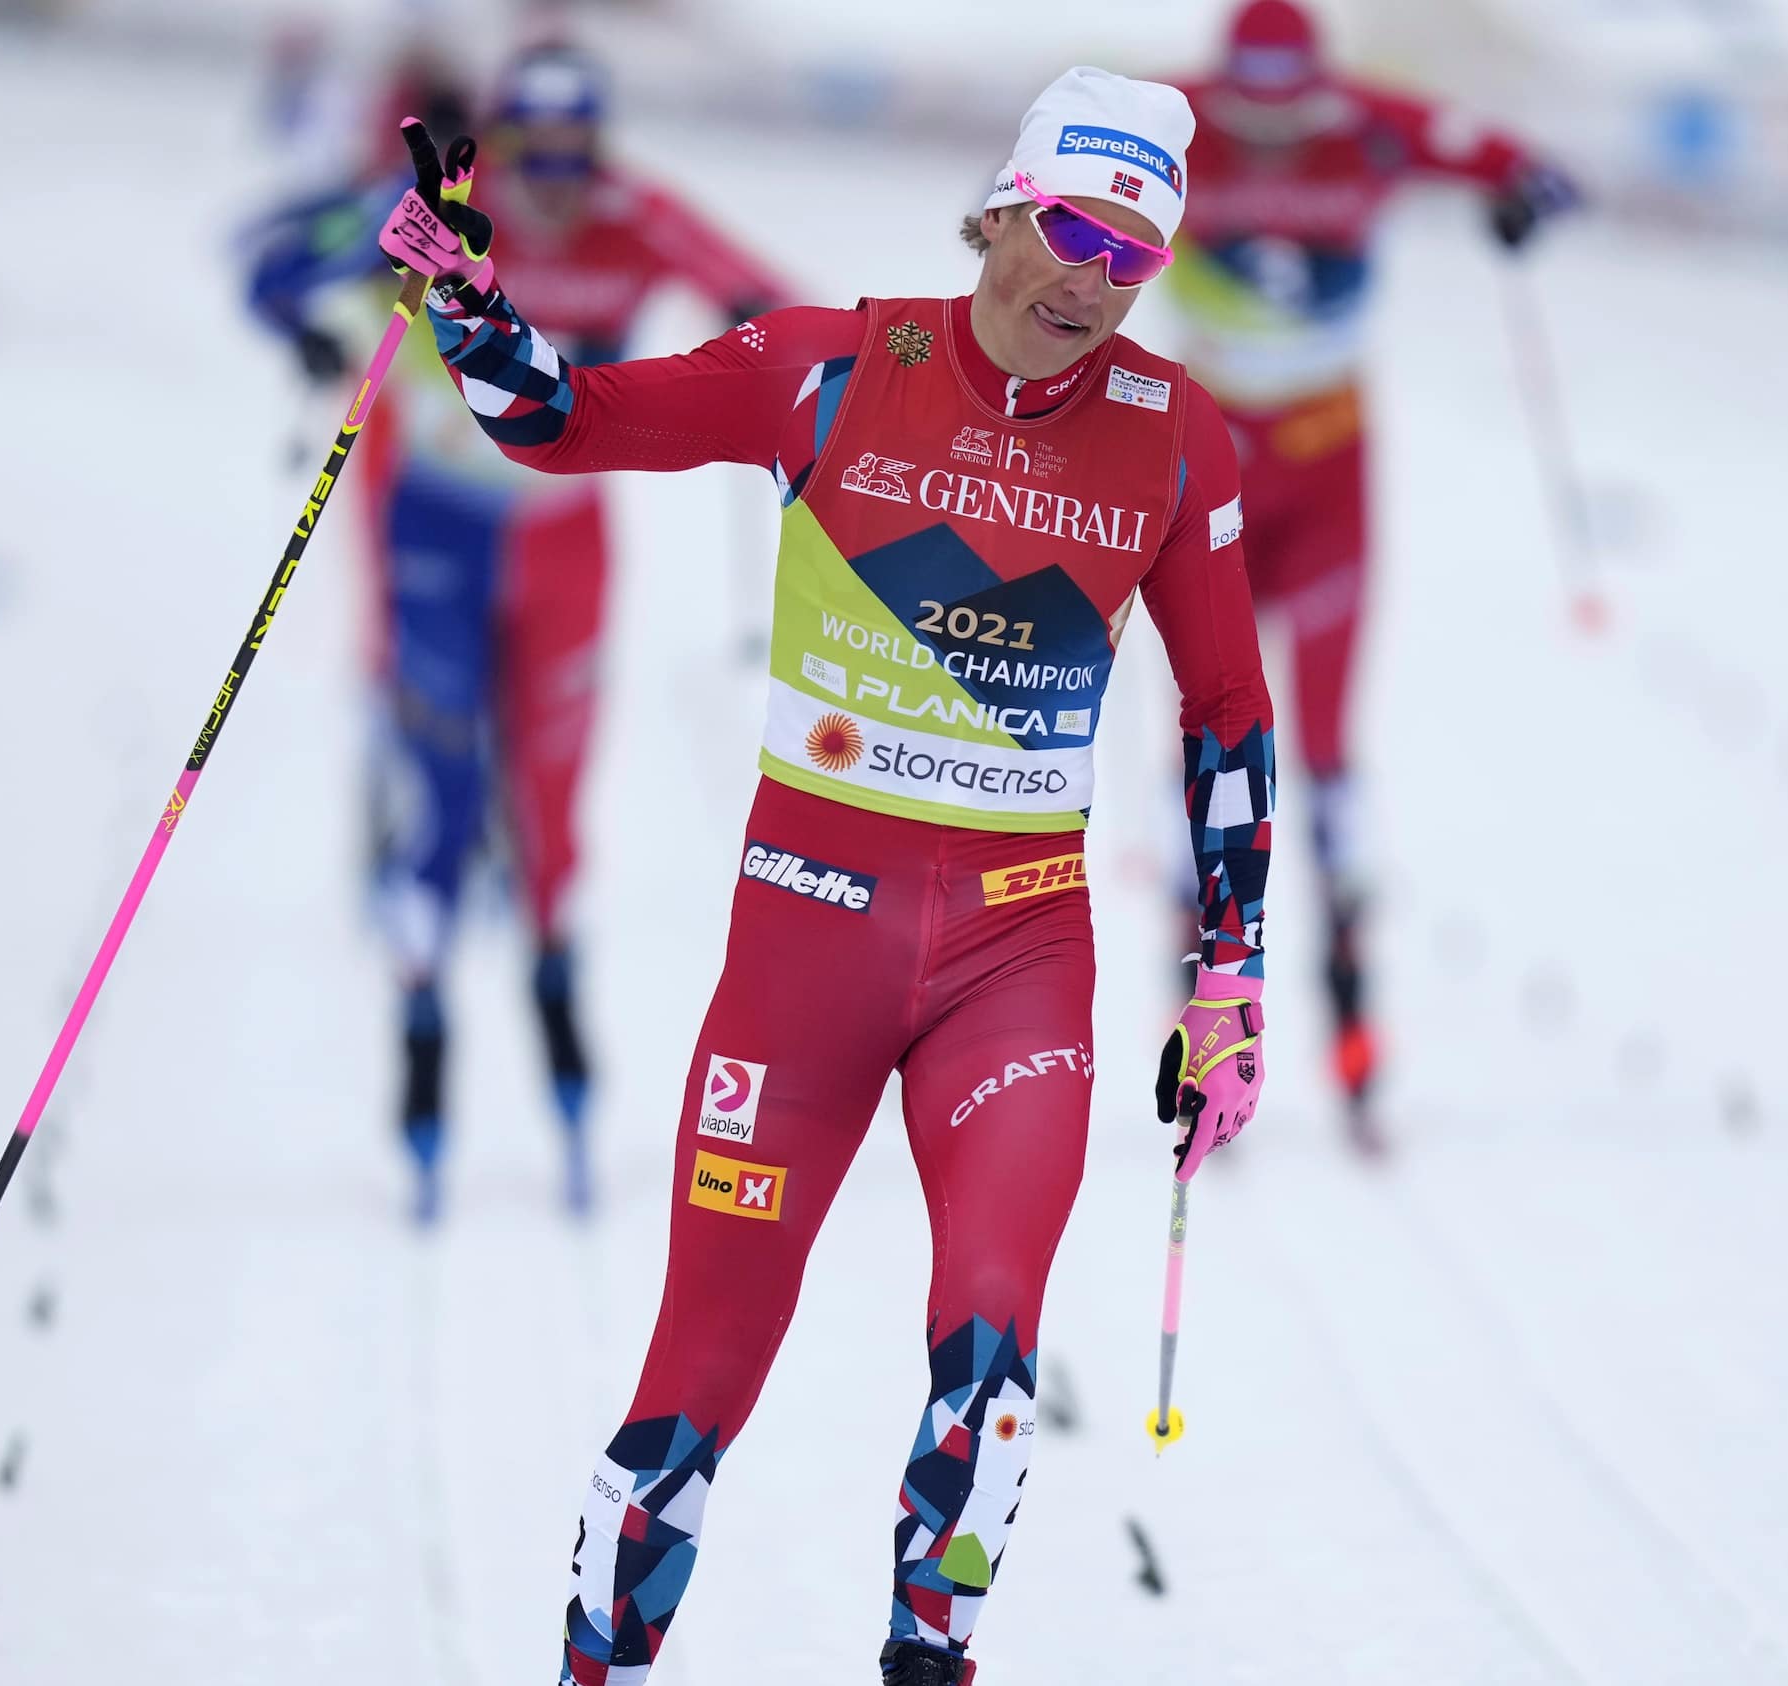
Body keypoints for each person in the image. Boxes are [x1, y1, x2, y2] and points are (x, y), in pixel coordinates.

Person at [378, 66, 1276, 1685]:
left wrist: (1233, 977)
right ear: (1004, 206)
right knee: (693, 1382)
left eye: (1131, 255)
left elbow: (1226, 714)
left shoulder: (1174, 439)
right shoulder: (830, 369)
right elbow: (560, 420)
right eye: (1071, 225)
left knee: (990, 1357)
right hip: (806, 948)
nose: (1090, 276)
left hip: (1017, 963)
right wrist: (469, 299)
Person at [243, 45, 792, 1224]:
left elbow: (771, 300)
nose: (553, 183)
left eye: (575, 158)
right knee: (441, 793)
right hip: (433, 529)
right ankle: (424, 1018)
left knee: (549, 801)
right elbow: (274, 269)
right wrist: (313, 328)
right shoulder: (440, 209)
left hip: (564, 538)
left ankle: (554, 987)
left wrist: (761, 350)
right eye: (531, 156)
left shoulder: (632, 214)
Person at [1168, 0, 1573, 1150]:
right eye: (1251, 114)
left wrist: (1523, 195)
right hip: (1206, 463)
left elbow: (1512, 159)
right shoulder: (1173, 122)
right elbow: (1041, 174)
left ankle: (1352, 1030)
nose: (1272, 137)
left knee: (1332, 746)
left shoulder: (1373, 125)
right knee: (1212, 742)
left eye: (1292, 116)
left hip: (1330, 461)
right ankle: (1201, 1017)